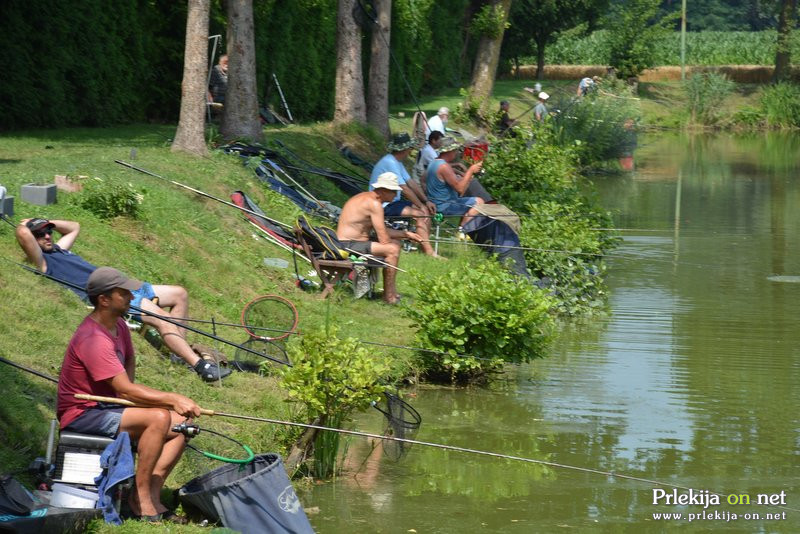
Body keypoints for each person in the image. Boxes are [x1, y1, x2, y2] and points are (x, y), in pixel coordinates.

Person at [58, 266, 202, 521]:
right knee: (158, 417)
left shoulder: (119, 326)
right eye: (123, 293)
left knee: (182, 425)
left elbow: (129, 365)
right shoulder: (93, 338)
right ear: (104, 300)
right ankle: (141, 500)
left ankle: (148, 496)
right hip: (83, 412)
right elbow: (125, 388)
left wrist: (134, 399)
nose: (131, 297)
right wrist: (172, 398)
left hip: (110, 407)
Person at [15, 218, 231, 383]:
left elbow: (74, 226)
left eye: (49, 231)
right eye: (41, 234)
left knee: (179, 293)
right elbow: (23, 233)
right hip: (113, 292)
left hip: (128, 285)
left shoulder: (60, 249)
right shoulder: (43, 263)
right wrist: (25, 224)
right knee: (162, 318)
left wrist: (46, 221)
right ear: (33, 242)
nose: (47, 236)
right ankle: (201, 367)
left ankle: (179, 353)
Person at [337, 172, 423, 305]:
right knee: (392, 249)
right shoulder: (374, 204)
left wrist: (406, 234)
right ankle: (388, 297)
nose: (395, 195)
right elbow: (383, 238)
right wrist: (398, 240)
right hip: (347, 244)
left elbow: (382, 231)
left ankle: (391, 292)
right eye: (393, 191)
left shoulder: (367, 198)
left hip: (352, 242)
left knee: (394, 243)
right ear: (383, 190)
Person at [370, 133, 439, 257]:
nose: (410, 151)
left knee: (425, 210)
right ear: (404, 149)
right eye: (410, 148)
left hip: (394, 202)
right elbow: (405, 188)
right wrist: (420, 206)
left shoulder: (397, 162)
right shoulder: (390, 162)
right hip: (384, 204)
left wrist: (426, 201)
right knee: (419, 213)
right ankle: (429, 252)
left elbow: (411, 183)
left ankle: (424, 246)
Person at [425, 137, 485, 225]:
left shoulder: (434, 162)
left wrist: (462, 176)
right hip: (445, 206)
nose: (456, 153)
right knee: (480, 202)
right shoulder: (444, 167)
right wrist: (471, 170)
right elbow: (460, 189)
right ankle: (462, 230)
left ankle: (462, 226)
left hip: (435, 202)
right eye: (455, 150)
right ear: (450, 151)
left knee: (467, 198)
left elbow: (423, 179)